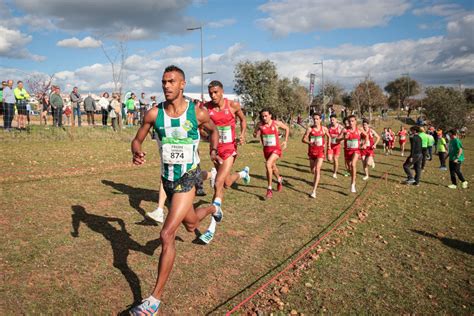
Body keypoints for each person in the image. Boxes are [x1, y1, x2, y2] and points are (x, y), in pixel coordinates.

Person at [129, 65, 223, 315]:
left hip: (189, 177)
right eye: (163, 82)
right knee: (191, 225)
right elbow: (137, 139)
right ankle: (213, 208)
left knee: (167, 234)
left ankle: (154, 300)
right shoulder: (153, 114)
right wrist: (136, 151)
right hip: (168, 180)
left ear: (182, 84)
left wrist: (213, 151)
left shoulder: (197, 113)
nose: (166, 86)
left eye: (171, 81)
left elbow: (213, 131)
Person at [197, 80, 250, 243]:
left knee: (218, 183)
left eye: (216, 92)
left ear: (222, 91)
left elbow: (243, 120)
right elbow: (200, 126)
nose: (213, 96)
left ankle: (211, 228)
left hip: (229, 150)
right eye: (210, 93)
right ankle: (242, 173)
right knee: (226, 182)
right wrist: (205, 135)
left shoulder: (233, 105)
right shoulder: (205, 108)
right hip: (215, 150)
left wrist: (242, 135)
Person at [253, 108, 289, 199]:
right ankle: (279, 179)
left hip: (276, 149)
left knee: (268, 164)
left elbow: (287, 128)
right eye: (262, 116)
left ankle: (269, 189)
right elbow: (255, 134)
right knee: (273, 167)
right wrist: (256, 133)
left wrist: (285, 141)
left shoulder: (276, 123)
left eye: (266, 116)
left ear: (270, 115)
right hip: (266, 150)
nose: (264, 118)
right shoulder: (260, 124)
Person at [302, 112, 330, 198]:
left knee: (318, 170)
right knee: (313, 170)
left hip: (320, 152)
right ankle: (314, 179)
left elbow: (329, 136)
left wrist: (328, 146)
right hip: (311, 153)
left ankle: (314, 191)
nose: (315, 121)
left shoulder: (324, 129)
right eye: (314, 119)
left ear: (320, 120)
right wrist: (310, 142)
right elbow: (303, 139)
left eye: (317, 119)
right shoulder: (310, 129)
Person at [337, 115, 367, 193]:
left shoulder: (359, 129)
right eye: (349, 121)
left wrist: (364, 144)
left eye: (352, 121)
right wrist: (344, 138)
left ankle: (353, 184)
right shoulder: (344, 130)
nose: (351, 123)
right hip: (347, 151)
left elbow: (366, 135)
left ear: (355, 121)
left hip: (356, 150)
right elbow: (337, 140)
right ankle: (353, 176)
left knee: (353, 164)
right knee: (349, 168)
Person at [327, 114, 344, 178]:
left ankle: (334, 173)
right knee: (329, 159)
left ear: (336, 120)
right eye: (331, 120)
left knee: (335, 159)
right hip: (330, 145)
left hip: (337, 146)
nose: (332, 121)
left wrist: (342, 140)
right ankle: (334, 168)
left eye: (333, 120)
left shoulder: (340, 127)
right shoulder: (328, 127)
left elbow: (345, 133)